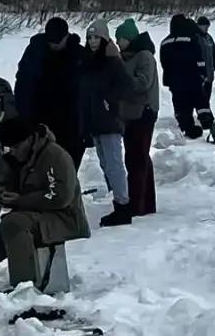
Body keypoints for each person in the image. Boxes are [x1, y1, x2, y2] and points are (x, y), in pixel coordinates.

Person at [0, 116, 90, 288]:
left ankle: (25, 287)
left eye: (17, 146)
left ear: (30, 139)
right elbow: (6, 182)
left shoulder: (54, 156)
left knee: (14, 223)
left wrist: (20, 200)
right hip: (32, 217)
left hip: (64, 219)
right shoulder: (15, 158)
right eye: (10, 148)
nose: (14, 151)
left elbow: (61, 197)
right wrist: (1, 194)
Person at [78, 20, 134, 227]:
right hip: (94, 121)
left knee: (114, 164)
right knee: (105, 164)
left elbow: (125, 85)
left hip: (109, 120)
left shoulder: (111, 60)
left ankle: (123, 205)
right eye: (90, 37)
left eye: (96, 37)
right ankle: (118, 200)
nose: (93, 41)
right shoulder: (86, 62)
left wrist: (109, 101)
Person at [14, 18, 85, 167]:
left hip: (71, 125)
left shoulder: (78, 55)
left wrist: (86, 126)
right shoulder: (35, 51)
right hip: (41, 122)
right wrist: (26, 118)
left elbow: (88, 91)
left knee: (67, 170)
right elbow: (23, 85)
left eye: (57, 41)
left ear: (66, 36)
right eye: (50, 41)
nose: (53, 45)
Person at [116, 18, 159, 217]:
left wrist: (120, 75)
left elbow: (142, 83)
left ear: (130, 39)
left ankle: (137, 203)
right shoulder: (128, 57)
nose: (118, 43)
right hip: (131, 114)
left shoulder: (144, 56)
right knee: (137, 156)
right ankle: (146, 201)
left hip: (144, 112)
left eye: (121, 39)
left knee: (137, 158)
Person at [161, 14, 206, 138]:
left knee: (180, 105)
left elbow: (164, 62)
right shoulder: (191, 38)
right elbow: (199, 58)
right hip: (192, 78)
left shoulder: (165, 42)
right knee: (199, 101)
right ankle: (208, 125)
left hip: (174, 81)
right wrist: (202, 73)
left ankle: (186, 126)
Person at [194, 17, 215, 112]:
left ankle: (205, 115)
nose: (207, 28)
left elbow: (214, 55)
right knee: (200, 98)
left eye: (208, 27)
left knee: (207, 97)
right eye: (205, 26)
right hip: (199, 74)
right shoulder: (195, 37)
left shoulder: (209, 38)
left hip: (209, 74)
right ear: (199, 26)